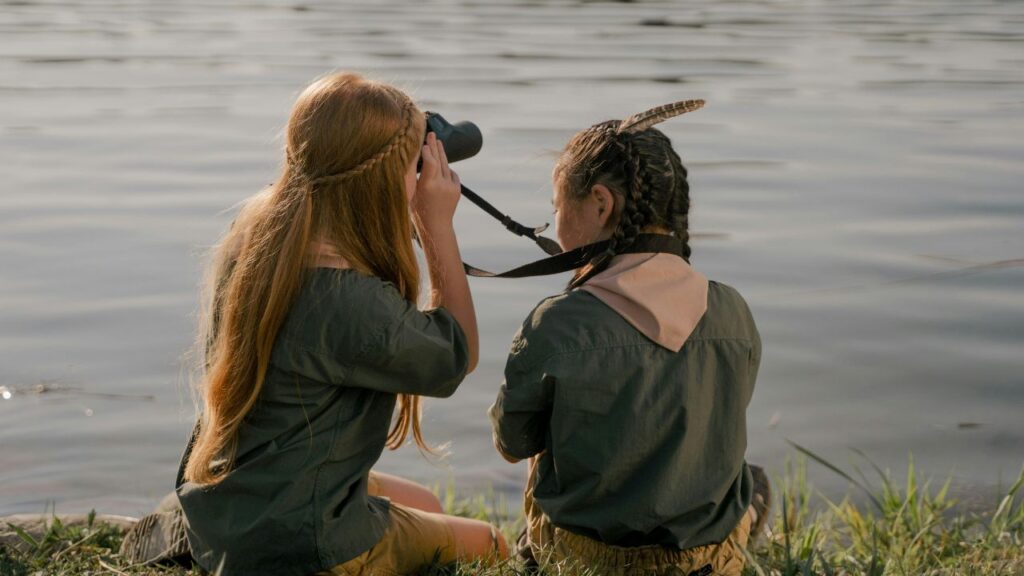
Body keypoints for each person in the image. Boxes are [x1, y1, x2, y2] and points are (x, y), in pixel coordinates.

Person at [173, 72, 508, 576]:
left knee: (428, 504)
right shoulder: (349, 300)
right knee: (490, 543)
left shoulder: (255, 238)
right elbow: (455, 356)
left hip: (234, 512)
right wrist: (436, 224)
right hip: (303, 545)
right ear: (385, 180)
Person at [488, 104, 767, 576]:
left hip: (582, 560)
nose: (555, 226)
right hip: (704, 562)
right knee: (754, 482)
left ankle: (530, 559)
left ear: (600, 203)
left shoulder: (555, 324)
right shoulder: (733, 310)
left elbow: (512, 443)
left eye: (557, 209)